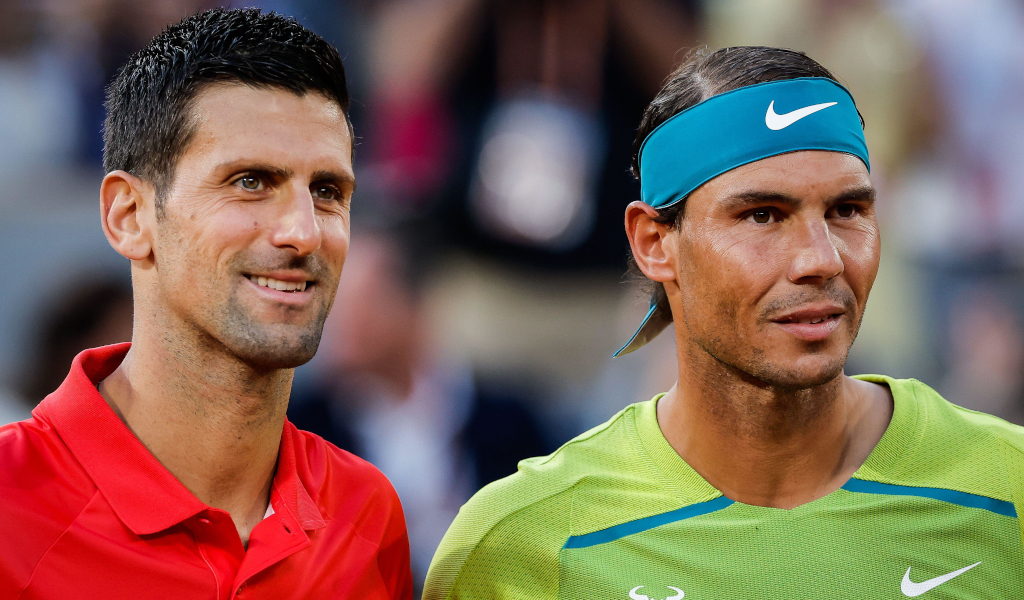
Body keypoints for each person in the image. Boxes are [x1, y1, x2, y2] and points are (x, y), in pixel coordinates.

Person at [424, 46, 1024, 600]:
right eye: (763, 215)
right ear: (654, 243)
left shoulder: (1008, 487)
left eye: (847, 210)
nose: (821, 258)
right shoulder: (522, 545)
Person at [0, 9, 412, 600]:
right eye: (251, 180)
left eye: (327, 191)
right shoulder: (9, 511)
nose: (304, 232)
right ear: (130, 216)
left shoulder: (366, 514)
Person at [288, 229, 550, 589]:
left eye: (365, 300)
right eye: (332, 297)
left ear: (414, 304)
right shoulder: (304, 426)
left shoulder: (509, 420)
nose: (343, 318)